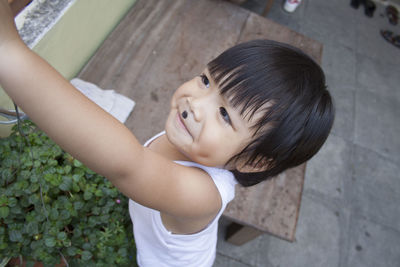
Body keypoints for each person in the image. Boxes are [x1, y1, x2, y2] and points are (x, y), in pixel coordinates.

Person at [0, 1, 334, 266]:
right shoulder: (190, 141)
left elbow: (128, 163)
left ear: (254, 160)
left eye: (224, 114)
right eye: (206, 80)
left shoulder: (201, 194)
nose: (195, 103)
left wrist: (9, 52)